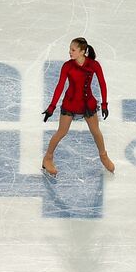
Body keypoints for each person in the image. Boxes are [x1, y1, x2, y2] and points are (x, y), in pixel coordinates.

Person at [42, 37, 115, 177]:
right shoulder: (67, 66)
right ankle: (48, 158)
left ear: (82, 51)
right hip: (71, 103)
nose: (70, 52)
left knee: (96, 131)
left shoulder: (94, 65)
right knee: (62, 132)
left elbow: (102, 84)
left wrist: (104, 104)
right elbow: (60, 86)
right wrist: (52, 107)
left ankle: (103, 156)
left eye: (73, 50)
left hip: (88, 103)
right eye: (70, 49)